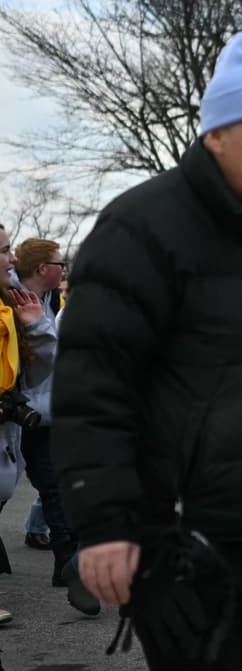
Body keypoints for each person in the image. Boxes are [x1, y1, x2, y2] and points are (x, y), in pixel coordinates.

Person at [52, 32, 242, 671]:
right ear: (219, 135)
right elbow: (93, 388)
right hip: (185, 536)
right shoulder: (141, 227)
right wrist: (105, 526)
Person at [11, 239, 83, 597]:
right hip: (17, 411)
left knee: (55, 487)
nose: (63, 269)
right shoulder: (15, 301)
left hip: (42, 413)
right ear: (43, 269)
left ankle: (67, 564)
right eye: (59, 264)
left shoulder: (50, 300)